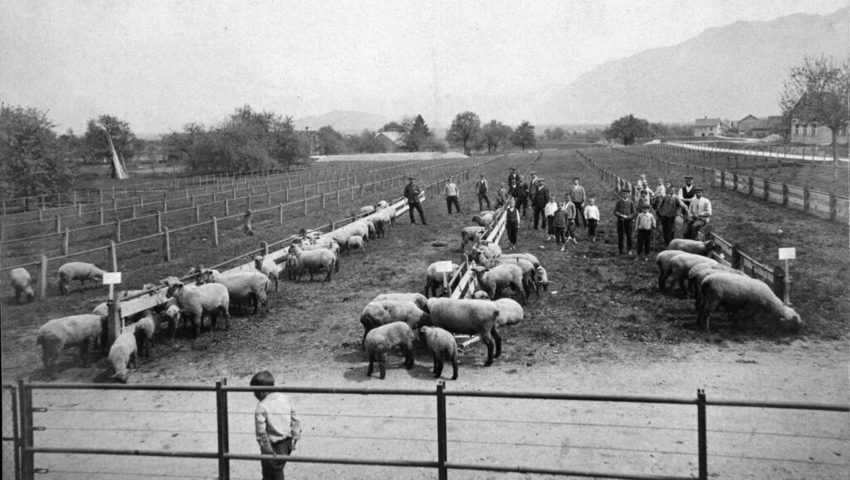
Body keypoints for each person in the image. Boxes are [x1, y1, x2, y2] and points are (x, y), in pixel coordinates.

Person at [251, 370, 302, 480]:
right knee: (277, 470)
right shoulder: (284, 398)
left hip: (273, 446)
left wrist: (268, 451)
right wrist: (295, 435)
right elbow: (295, 418)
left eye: (254, 392)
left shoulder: (262, 407)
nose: (254, 395)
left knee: (271, 474)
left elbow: (261, 433)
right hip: (287, 443)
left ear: (260, 392)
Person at [613, 189, 636, 255]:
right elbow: (615, 211)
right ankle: (620, 250)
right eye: (623, 194)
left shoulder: (631, 202)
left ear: (628, 195)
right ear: (621, 194)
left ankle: (629, 249)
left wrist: (629, 217)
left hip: (628, 222)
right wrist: (621, 215)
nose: (625, 195)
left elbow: (634, 212)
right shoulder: (618, 202)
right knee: (620, 236)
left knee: (629, 235)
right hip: (620, 221)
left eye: (626, 194)